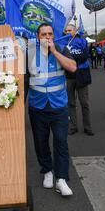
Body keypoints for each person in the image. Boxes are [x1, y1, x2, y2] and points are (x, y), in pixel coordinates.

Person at [26, 23, 77, 196]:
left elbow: (72, 67)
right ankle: (47, 170)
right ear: (37, 36)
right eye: (43, 34)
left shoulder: (61, 49)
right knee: (41, 142)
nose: (47, 37)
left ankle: (61, 179)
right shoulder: (30, 53)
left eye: (50, 34)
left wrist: (55, 52)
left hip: (58, 106)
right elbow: (24, 80)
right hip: (37, 105)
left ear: (53, 36)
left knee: (61, 142)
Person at [64, 24, 94, 136]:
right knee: (71, 102)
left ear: (75, 30)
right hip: (69, 75)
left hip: (82, 73)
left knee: (84, 102)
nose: (67, 32)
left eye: (69, 30)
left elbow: (85, 56)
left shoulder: (82, 41)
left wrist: (69, 59)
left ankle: (87, 127)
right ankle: (73, 126)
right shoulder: (63, 42)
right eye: (66, 30)